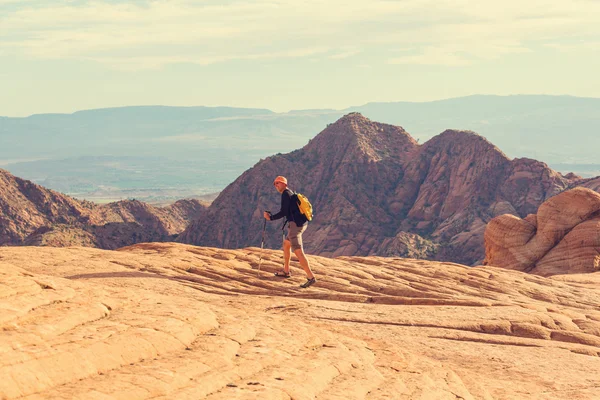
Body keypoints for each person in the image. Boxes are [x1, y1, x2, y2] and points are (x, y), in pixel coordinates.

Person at [264, 176, 316, 288]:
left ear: (284, 184)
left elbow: (283, 212)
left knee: (298, 251)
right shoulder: (290, 193)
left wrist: (271, 218)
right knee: (286, 244)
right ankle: (286, 271)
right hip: (300, 224)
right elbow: (287, 211)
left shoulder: (285, 194)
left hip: (295, 226)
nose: (276, 185)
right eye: (275, 183)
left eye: (278, 183)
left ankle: (311, 277)